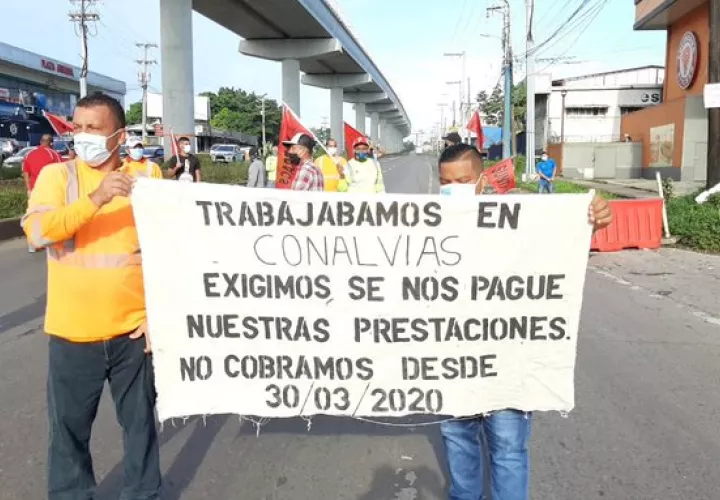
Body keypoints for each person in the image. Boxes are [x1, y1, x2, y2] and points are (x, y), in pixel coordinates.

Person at [437, 143, 612, 500]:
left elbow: (557, 249)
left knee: (508, 448)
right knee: (458, 439)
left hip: (506, 361)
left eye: (463, 181)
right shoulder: (427, 226)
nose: (454, 189)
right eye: (446, 182)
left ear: (482, 181)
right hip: (451, 361)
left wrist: (588, 222)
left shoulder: (516, 221)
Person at [21, 92, 161, 500]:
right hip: (72, 335)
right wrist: (97, 198)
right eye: (77, 127)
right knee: (68, 435)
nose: (83, 136)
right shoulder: (58, 178)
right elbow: (37, 233)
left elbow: (167, 253)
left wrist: (156, 315)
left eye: (94, 128)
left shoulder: (146, 183)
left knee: (140, 429)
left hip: (133, 335)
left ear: (119, 136)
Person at [22, 133, 62, 253]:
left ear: (40, 141)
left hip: (34, 190)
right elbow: (61, 171)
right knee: (50, 216)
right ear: (51, 143)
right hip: (49, 191)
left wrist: (29, 189)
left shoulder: (29, 154)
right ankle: (50, 242)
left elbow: (26, 173)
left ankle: (32, 244)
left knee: (33, 216)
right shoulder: (53, 154)